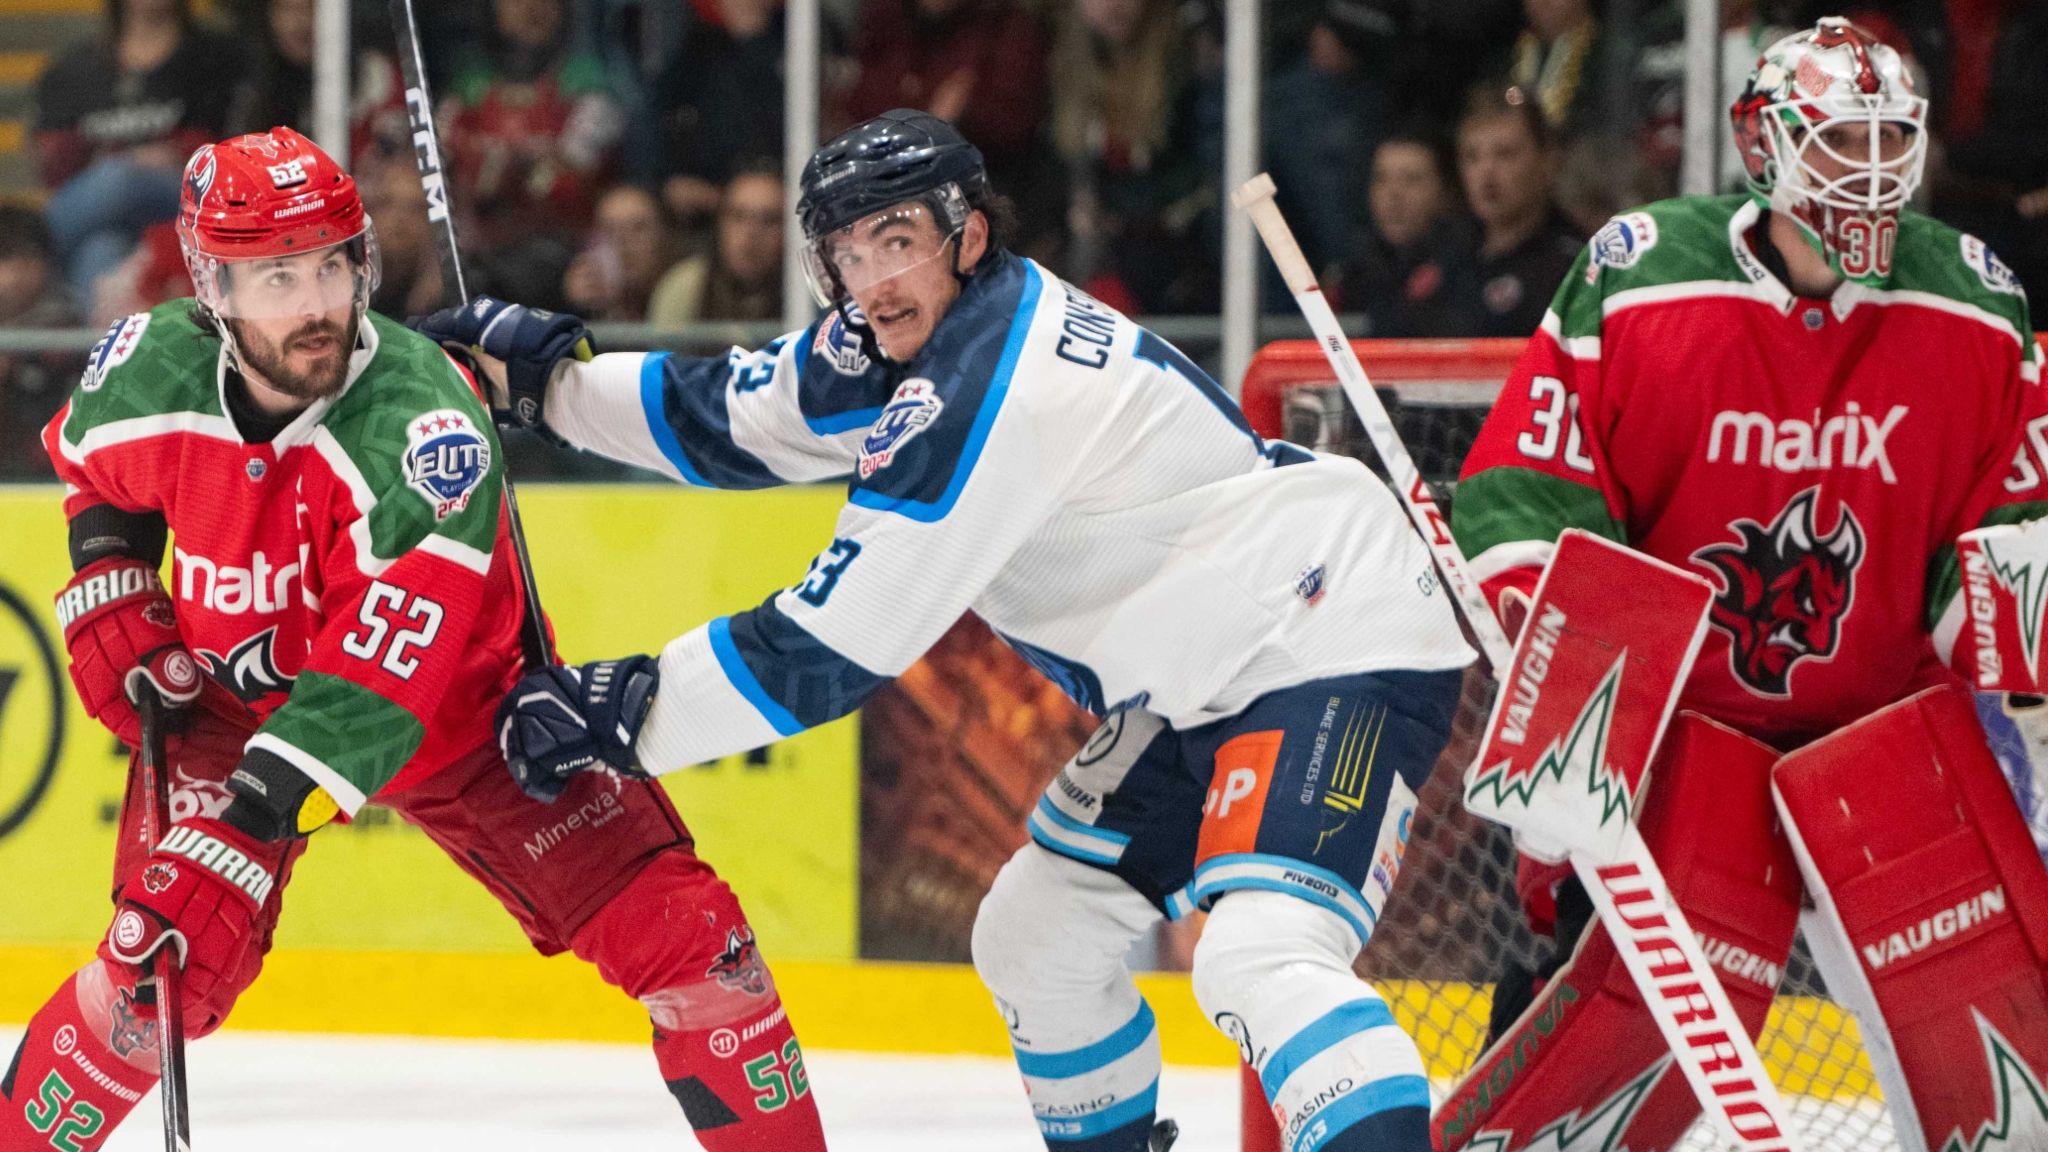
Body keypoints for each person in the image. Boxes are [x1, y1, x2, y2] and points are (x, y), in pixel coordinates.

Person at [417, 109, 1477, 1152]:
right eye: (847, 249)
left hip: (1328, 641)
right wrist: (550, 388)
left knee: (1257, 954)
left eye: (899, 241)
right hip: (1199, 683)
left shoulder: (992, 388)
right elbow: (738, 416)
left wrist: (627, 710)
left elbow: (834, 646)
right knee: (1036, 936)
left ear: (966, 236)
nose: (873, 275)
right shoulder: (908, 332)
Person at [0, 128, 826, 1152]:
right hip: (229, 708)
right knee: (155, 975)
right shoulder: (147, 365)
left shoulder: (420, 427)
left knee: (703, 953)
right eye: (276, 276)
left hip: (467, 723)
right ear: (211, 287)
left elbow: (372, 688)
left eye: (333, 264)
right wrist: (111, 570)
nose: (315, 304)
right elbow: (94, 469)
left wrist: (244, 833)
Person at [1441, 20, 2048, 1152]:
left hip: (1885, 737)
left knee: (2013, 1093)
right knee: (1568, 1093)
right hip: (1675, 735)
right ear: (1758, 146)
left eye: (1888, 141)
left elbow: (2010, 533)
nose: (1867, 174)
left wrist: (2032, 706)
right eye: (1835, 144)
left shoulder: (1976, 304)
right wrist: (1575, 714)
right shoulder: (1638, 276)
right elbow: (1534, 483)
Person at [1447, 83, 1584, 338]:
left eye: (1505, 154)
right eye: (1472, 157)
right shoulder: (1445, 258)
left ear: (1547, 161)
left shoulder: (1574, 268)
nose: (1486, 172)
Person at [648, 165, 787, 327]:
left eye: (769, 220)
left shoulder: (806, 295)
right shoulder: (685, 288)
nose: (752, 233)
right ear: (719, 223)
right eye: (738, 216)